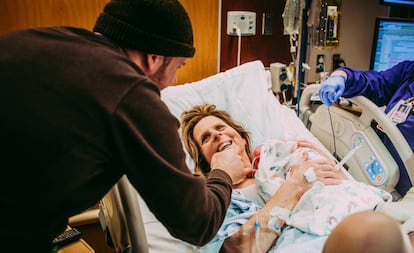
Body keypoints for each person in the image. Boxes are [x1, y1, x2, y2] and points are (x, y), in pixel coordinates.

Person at [0, 0, 252, 251]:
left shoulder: (42, 41)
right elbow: (197, 223)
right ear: (154, 58)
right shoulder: (133, 97)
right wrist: (223, 173)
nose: (173, 80)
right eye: (178, 67)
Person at [180, 103, 414, 253]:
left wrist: (326, 164)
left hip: (366, 214)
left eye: (221, 127)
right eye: (206, 138)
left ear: (241, 137)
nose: (218, 136)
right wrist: (294, 184)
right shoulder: (215, 200)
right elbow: (236, 250)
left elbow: (345, 191)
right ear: (205, 162)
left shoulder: (277, 157)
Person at [318, 60, 414, 197]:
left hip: (405, 190)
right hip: (380, 170)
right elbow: (375, 83)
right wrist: (342, 76)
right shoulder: (409, 71)